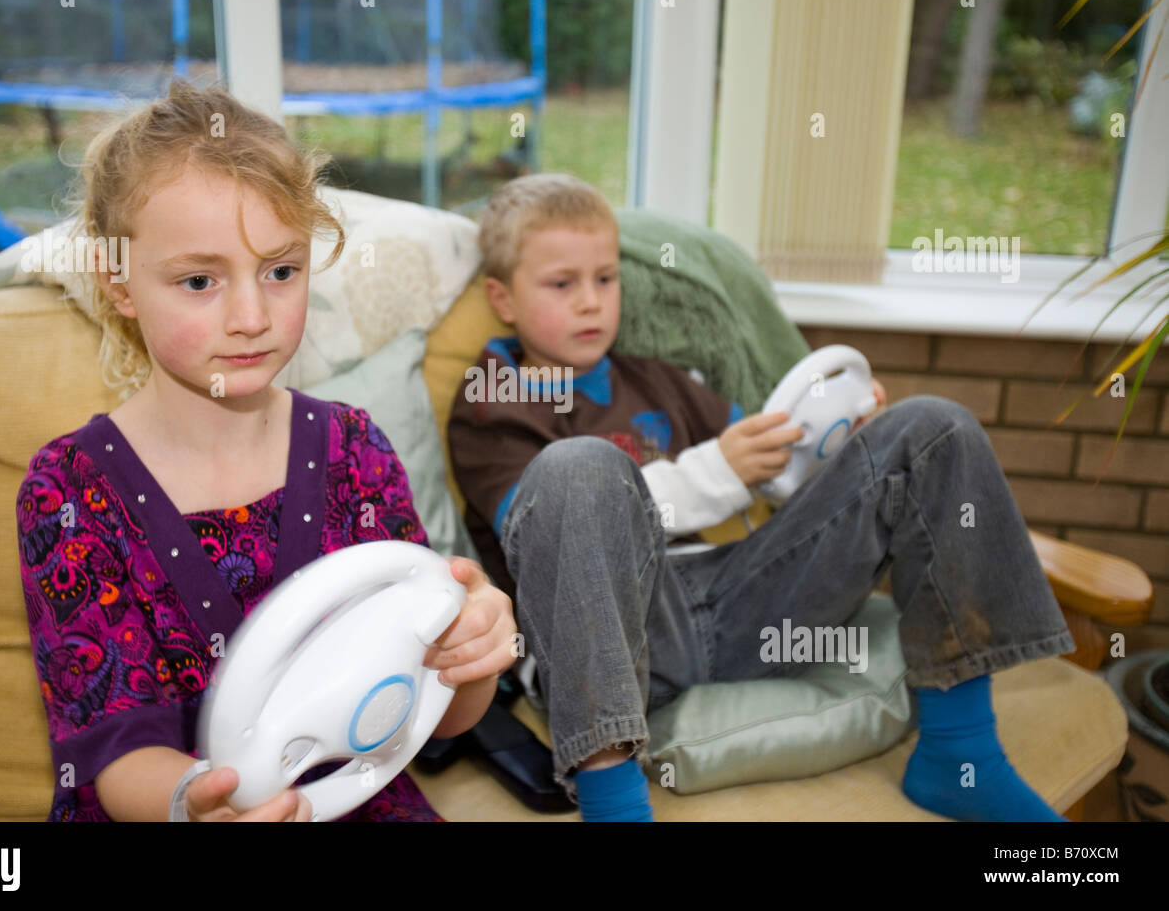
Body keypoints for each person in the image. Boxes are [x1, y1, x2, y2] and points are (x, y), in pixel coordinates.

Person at [447, 173, 1076, 822]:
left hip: (748, 607)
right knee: (578, 468)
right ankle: (614, 807)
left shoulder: (665, 380)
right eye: (561, 283)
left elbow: (781, 476)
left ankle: (959, 755)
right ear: (503, 298)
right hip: (619, 641)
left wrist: (845, 446)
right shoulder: (493, 396)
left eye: (605, 279)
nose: (590, 302)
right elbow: (541, 535)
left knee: (932, 429)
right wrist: (717, 469)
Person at [15, 78, 516, 822]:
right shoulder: (67, 491)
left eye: (281, 271)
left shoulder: (355, 451)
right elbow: (115, 753)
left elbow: (429, 712)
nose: (252, 317)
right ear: (118, 284)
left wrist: (472, 658)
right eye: (199, 280)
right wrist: (198, 801)